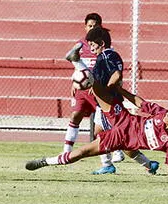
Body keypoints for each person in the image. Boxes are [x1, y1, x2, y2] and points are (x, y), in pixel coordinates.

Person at [26, 77, 168, 178]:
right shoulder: (160, 113)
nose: (167, 114)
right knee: (98, 89)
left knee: (82, 153)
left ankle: (45, 161)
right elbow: (140, 103)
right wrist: (120, 90)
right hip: (123, 118)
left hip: (119, 138)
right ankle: (82, 69)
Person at [61, 27, 160, 175]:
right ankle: (112, 164)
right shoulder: (108, 55)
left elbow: (117, 75)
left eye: (92, 45)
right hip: (106, 104)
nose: (91, 48)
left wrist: (105, 90)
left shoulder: (106, 56)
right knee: (100, 133)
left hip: (109, 105)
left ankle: (146, 164)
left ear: (101, 43)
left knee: (122, 142)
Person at [62, 13, 124, 165]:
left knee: (104, 123)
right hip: (83, 88)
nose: (92, 28)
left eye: (95, 26)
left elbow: (111, 71)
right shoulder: (80, 45)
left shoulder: (104, 48)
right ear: (85, 27)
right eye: (89, 26)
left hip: (97, 88)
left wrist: (100, 85)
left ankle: (117, 151)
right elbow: (78, 65)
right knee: (75, 116)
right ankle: (66, 151)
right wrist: (74, 81)